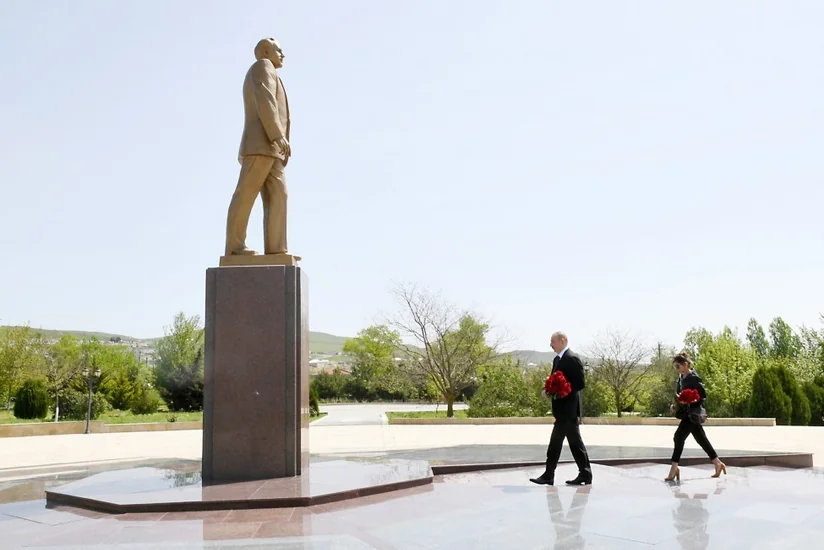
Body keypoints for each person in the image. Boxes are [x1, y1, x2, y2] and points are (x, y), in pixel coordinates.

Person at [225, 37, 292, 257]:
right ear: (265, 52)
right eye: (278, 50)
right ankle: (235, 247)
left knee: (279, 195)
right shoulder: (263, 67)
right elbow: (266, 100)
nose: (283, 54)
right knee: (246, 193)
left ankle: (276, 250)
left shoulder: (273, 72)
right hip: (261, 144)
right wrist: (277, 135)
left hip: (273, 149)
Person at [530, 332, 592, 486]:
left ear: (563, 341)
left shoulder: (572, 358)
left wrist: (562, 390)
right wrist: (549, 390)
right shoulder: (557, 359)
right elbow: (554, 380)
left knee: (555, 443)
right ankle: (585, 473)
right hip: (562, 410)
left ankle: (549, 475)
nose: (551, 345)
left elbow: (580, 383)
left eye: (553, 341)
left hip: (568, 410)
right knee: (575, 444)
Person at [665, 352, 727, 481]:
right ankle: (718, 463)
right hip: (685, 413)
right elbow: (678, 395)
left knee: (678, 437)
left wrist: (692, 400)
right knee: (701, 439)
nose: (676, 369)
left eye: (678, 366)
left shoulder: (694, 378)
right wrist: (675, 405)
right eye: (675, 366)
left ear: (686, 364)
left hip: (692, 413)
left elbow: (702, 396)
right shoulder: (681, 378)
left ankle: (674, 468)